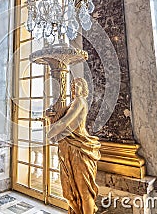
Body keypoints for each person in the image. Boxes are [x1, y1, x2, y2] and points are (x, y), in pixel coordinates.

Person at [47, 77, 101, 214]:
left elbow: (65, 122)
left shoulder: (79, 102)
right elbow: (59, 118)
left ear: (83, 88)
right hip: (69, 148)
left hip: (80, 149)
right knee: (69, 192)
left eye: (76, 85)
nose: (73, 88)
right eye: (72, 85)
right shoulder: (72, 102)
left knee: (84, 191)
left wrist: (50, 133)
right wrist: (50, 117)